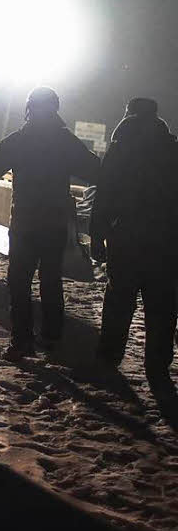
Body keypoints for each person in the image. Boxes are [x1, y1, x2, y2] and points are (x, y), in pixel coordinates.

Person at [0, 86, 100, 361]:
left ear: (28, 109)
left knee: (19, 282)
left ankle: (21, 341)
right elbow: (94, 169)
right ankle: (52, 337)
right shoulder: (65, 140)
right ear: (55, 109)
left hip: (25, 222)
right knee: (51, 280)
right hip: (55, 223)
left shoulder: (20, 139)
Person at [90, 98, 178, 397]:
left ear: (128, 113)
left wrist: (96, 235)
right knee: (162, 307)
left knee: (118, 300)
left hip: (126, 237)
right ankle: (157, 367)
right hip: (166, 243)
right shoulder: (172, 148)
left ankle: (109, 357)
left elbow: (104, 194)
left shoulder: (121, 147)